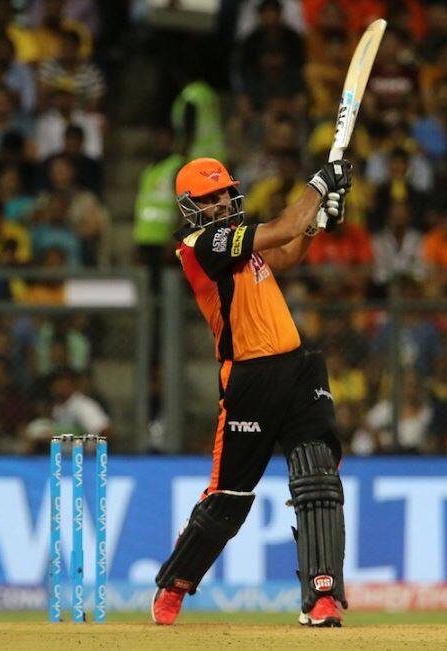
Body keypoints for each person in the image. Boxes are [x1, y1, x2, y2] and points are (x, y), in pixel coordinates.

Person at [151, 156, 352, 627]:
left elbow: (286, 253)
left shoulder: (238, 242)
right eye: (210, 197)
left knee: (319, 481)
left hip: (297, 370)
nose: (223, 202)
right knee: (230, 498)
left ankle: (322, 597)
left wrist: (316, 223)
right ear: (190, 207)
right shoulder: (202, 245)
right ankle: (175, 583)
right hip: (249, 380)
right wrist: (319, 187)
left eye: (225, 192)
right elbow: (284, 228)